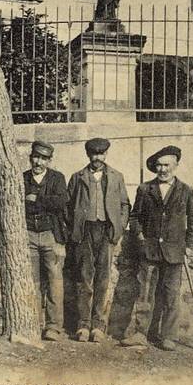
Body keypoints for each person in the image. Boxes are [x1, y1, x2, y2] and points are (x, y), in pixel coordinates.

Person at [121, 145, 193, 351]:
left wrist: (190, 246)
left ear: (175, 166)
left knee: (171, 294)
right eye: (159, 165)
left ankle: (168, 336)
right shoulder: (145, 189)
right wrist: (139, 235)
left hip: (175, 252)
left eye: (166, 165)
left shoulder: (186, 191)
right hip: (150, 250)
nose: (162, 169)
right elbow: (135, 216)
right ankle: (140, 333)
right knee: (145, 293)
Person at [67, 138, 130, 342]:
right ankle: (83, 325)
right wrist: (74, 229)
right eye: (94, 154)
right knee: (84, 278)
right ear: (88, 155)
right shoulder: (78, 177)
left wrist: (118, 229)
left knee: (103, 278)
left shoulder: (116, 176)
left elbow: (124, 205)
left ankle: (99, 326)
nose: (98, 158)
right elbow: (68, 206)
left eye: (101, 154)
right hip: (84, 231)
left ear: (106, 155)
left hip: (106, 231)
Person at [23, 141, 69, 341]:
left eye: (43, 159)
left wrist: (37, 198)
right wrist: (44, 201)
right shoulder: (23, 177)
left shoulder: (57, 178)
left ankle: (53, 326)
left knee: (54, 281)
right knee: (32, 281)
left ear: (50, 161)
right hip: (29, 235)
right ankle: (33, 322)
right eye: (36, 157)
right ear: (31, 157)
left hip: (51, 235)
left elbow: (60, 202)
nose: (38, 162)